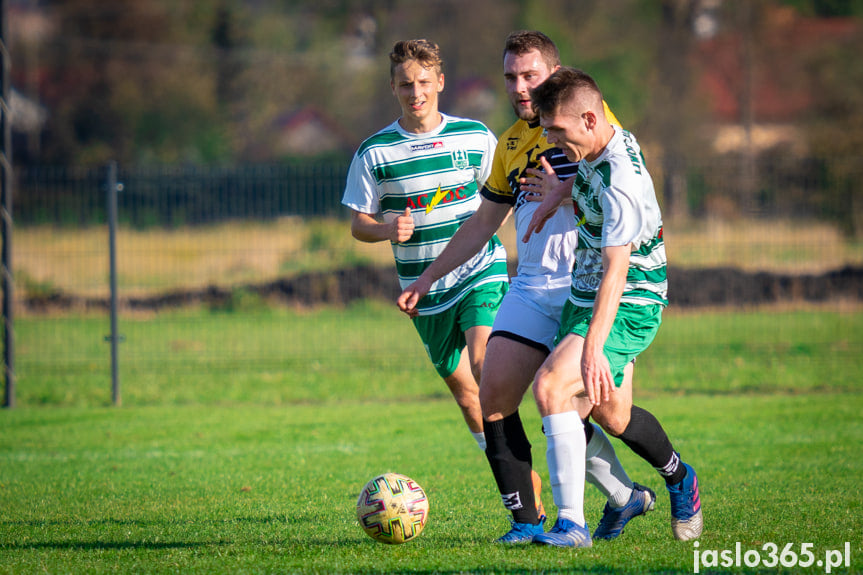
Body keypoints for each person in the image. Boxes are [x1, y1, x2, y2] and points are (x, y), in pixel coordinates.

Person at [397, 31, 653, 544]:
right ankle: (530, 522)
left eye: (530, 75)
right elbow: (481, 224)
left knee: (609, 413)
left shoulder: (587, 122)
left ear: (554, 75)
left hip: (587, 289)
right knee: (493, 392)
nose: (519, 86)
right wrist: (427, 277)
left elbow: (620, 187)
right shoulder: (510, 144)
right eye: (511, 76)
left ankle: (656, 484)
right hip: (534, 288)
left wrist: (567, 190)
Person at [520, 66, 703, 547]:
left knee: (553, 388)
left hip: (629, 300)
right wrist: (560, 193)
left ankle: (570, 525)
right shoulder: (600, 140)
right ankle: (674, 480)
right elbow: (586, 175)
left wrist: (593, 346)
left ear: (587, 117)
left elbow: (618, 269)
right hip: (587, 293)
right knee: (612, 416)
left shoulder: (622, 178)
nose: (552, 140)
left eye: (557, 131)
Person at [342, 39, 509, 453]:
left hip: (478, 272)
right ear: (393, 88)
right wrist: (385, 230)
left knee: (483, 364)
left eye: (422, 82)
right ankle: (510, 478)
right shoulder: (374, 152)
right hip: (423, 290)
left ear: (440, 82)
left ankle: (520, 468)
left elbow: (501, 201)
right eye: (404, 85)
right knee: (465, 394)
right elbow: (358, 225)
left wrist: (484, 233)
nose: (415, 93)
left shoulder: (474, 136)